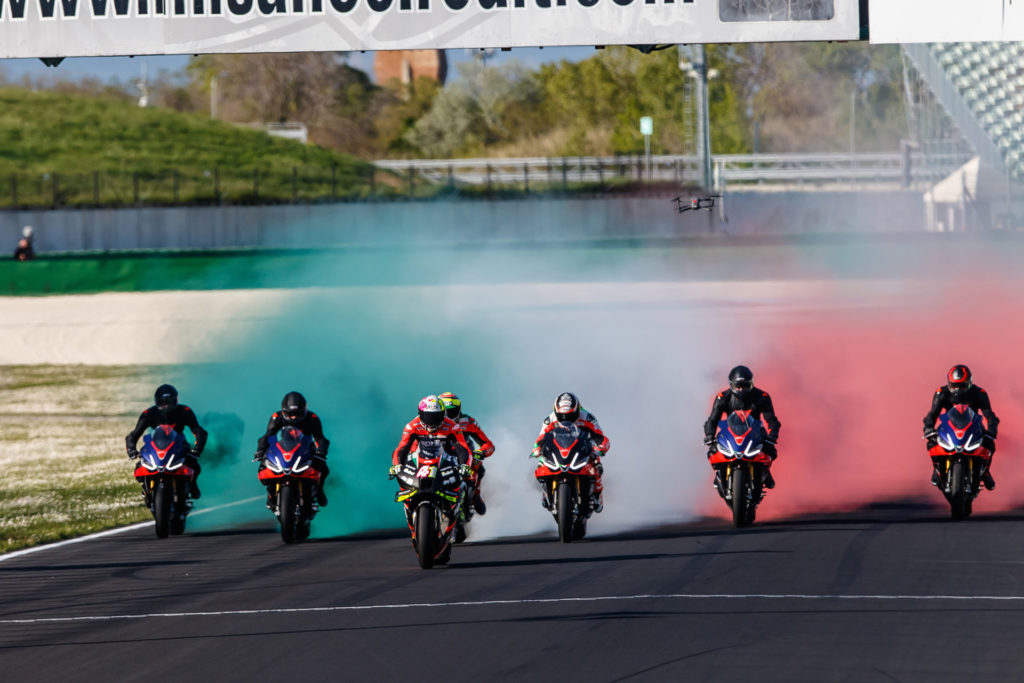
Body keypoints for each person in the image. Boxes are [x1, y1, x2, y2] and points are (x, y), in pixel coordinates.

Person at [703, 365, 781, 490]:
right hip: (730, 431)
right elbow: (712, 420)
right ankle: (719, 473)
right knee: (712, 449)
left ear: (751, 383)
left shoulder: (762, 397)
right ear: (731, 384)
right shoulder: (722, 397)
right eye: (738, 387)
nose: (741, 390)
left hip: (755, 431)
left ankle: (765, 473)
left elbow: (772, 421)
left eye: (744, 386)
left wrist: (772, 437)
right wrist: (709, 435)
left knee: (770, 450)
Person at [530, 392, 610, 512]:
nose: (566, 419)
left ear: (577, 410)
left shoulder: (587, 418)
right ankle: (545, 492)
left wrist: (601, 447)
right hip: (558, 450)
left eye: (570, 415)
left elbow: (600, 437)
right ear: (556, 411)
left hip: (581, 449)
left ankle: (597, 495)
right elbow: (541, 438)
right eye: (562, 416)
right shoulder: (550, 420)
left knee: (596, 463)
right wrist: (536, 449)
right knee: (541, 462)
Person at [923, 364, 999, 489]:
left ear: (969, 382)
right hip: (949, 426)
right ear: (949, 383)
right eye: (954, 386)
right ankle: (937, 469)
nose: (957, 390)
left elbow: (989, 414)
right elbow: (932, 413)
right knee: (931, 443)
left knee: (990, 445)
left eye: (962, 386)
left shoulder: (979, 393)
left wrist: (992, 430)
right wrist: (928, 427)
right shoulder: (941, 393)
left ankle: (985, 471)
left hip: (973, 426)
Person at [125, 384, 207, 499]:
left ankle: (192, 486)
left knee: (193, 465)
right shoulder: (148, 413)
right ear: (157, 401)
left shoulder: (185, 411)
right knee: (140, 466)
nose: (166, 406)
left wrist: (196, 450)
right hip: (156, 446)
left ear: (176, 400)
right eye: (163, 402)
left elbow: (198, 431)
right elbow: (134, 435)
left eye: (169, 402)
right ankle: (147, 489)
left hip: (179, 446)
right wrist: (131, 450)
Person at [255, 391, 331, 508]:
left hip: (305, 449)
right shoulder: (277, 417)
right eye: (291, 414)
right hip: (282, 450)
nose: (294, 417)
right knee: (263, 465)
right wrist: (260, 451)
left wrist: (321, 452)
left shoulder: (312, 418)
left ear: (304, 411)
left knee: (323, 468)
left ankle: (319, 491)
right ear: (284, 411)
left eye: (298, 414)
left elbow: (320, 438)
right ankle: (271, 494)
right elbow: (267, 436)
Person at [390, 395, 475, 483]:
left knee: (467, 481)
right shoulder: (411, 426)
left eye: (435, 416)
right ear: (420, 414)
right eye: (427, 416)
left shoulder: (453, 427)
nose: (431, 422)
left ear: (443, 414)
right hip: (419, 464)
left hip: (446, 464)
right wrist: (397, 464)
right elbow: (402, 447)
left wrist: (465, 465)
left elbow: (462, 448)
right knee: (401, 476)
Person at [438, 391, 494, 515]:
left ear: (458, 410)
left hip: (465, 455)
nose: (447, 415)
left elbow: (488, 445)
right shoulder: (432, 423)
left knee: (479, 468)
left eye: (451, 411)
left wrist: (481, 452)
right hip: (441, 455)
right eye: (444, 411)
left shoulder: (468, 422)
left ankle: (475, 494)